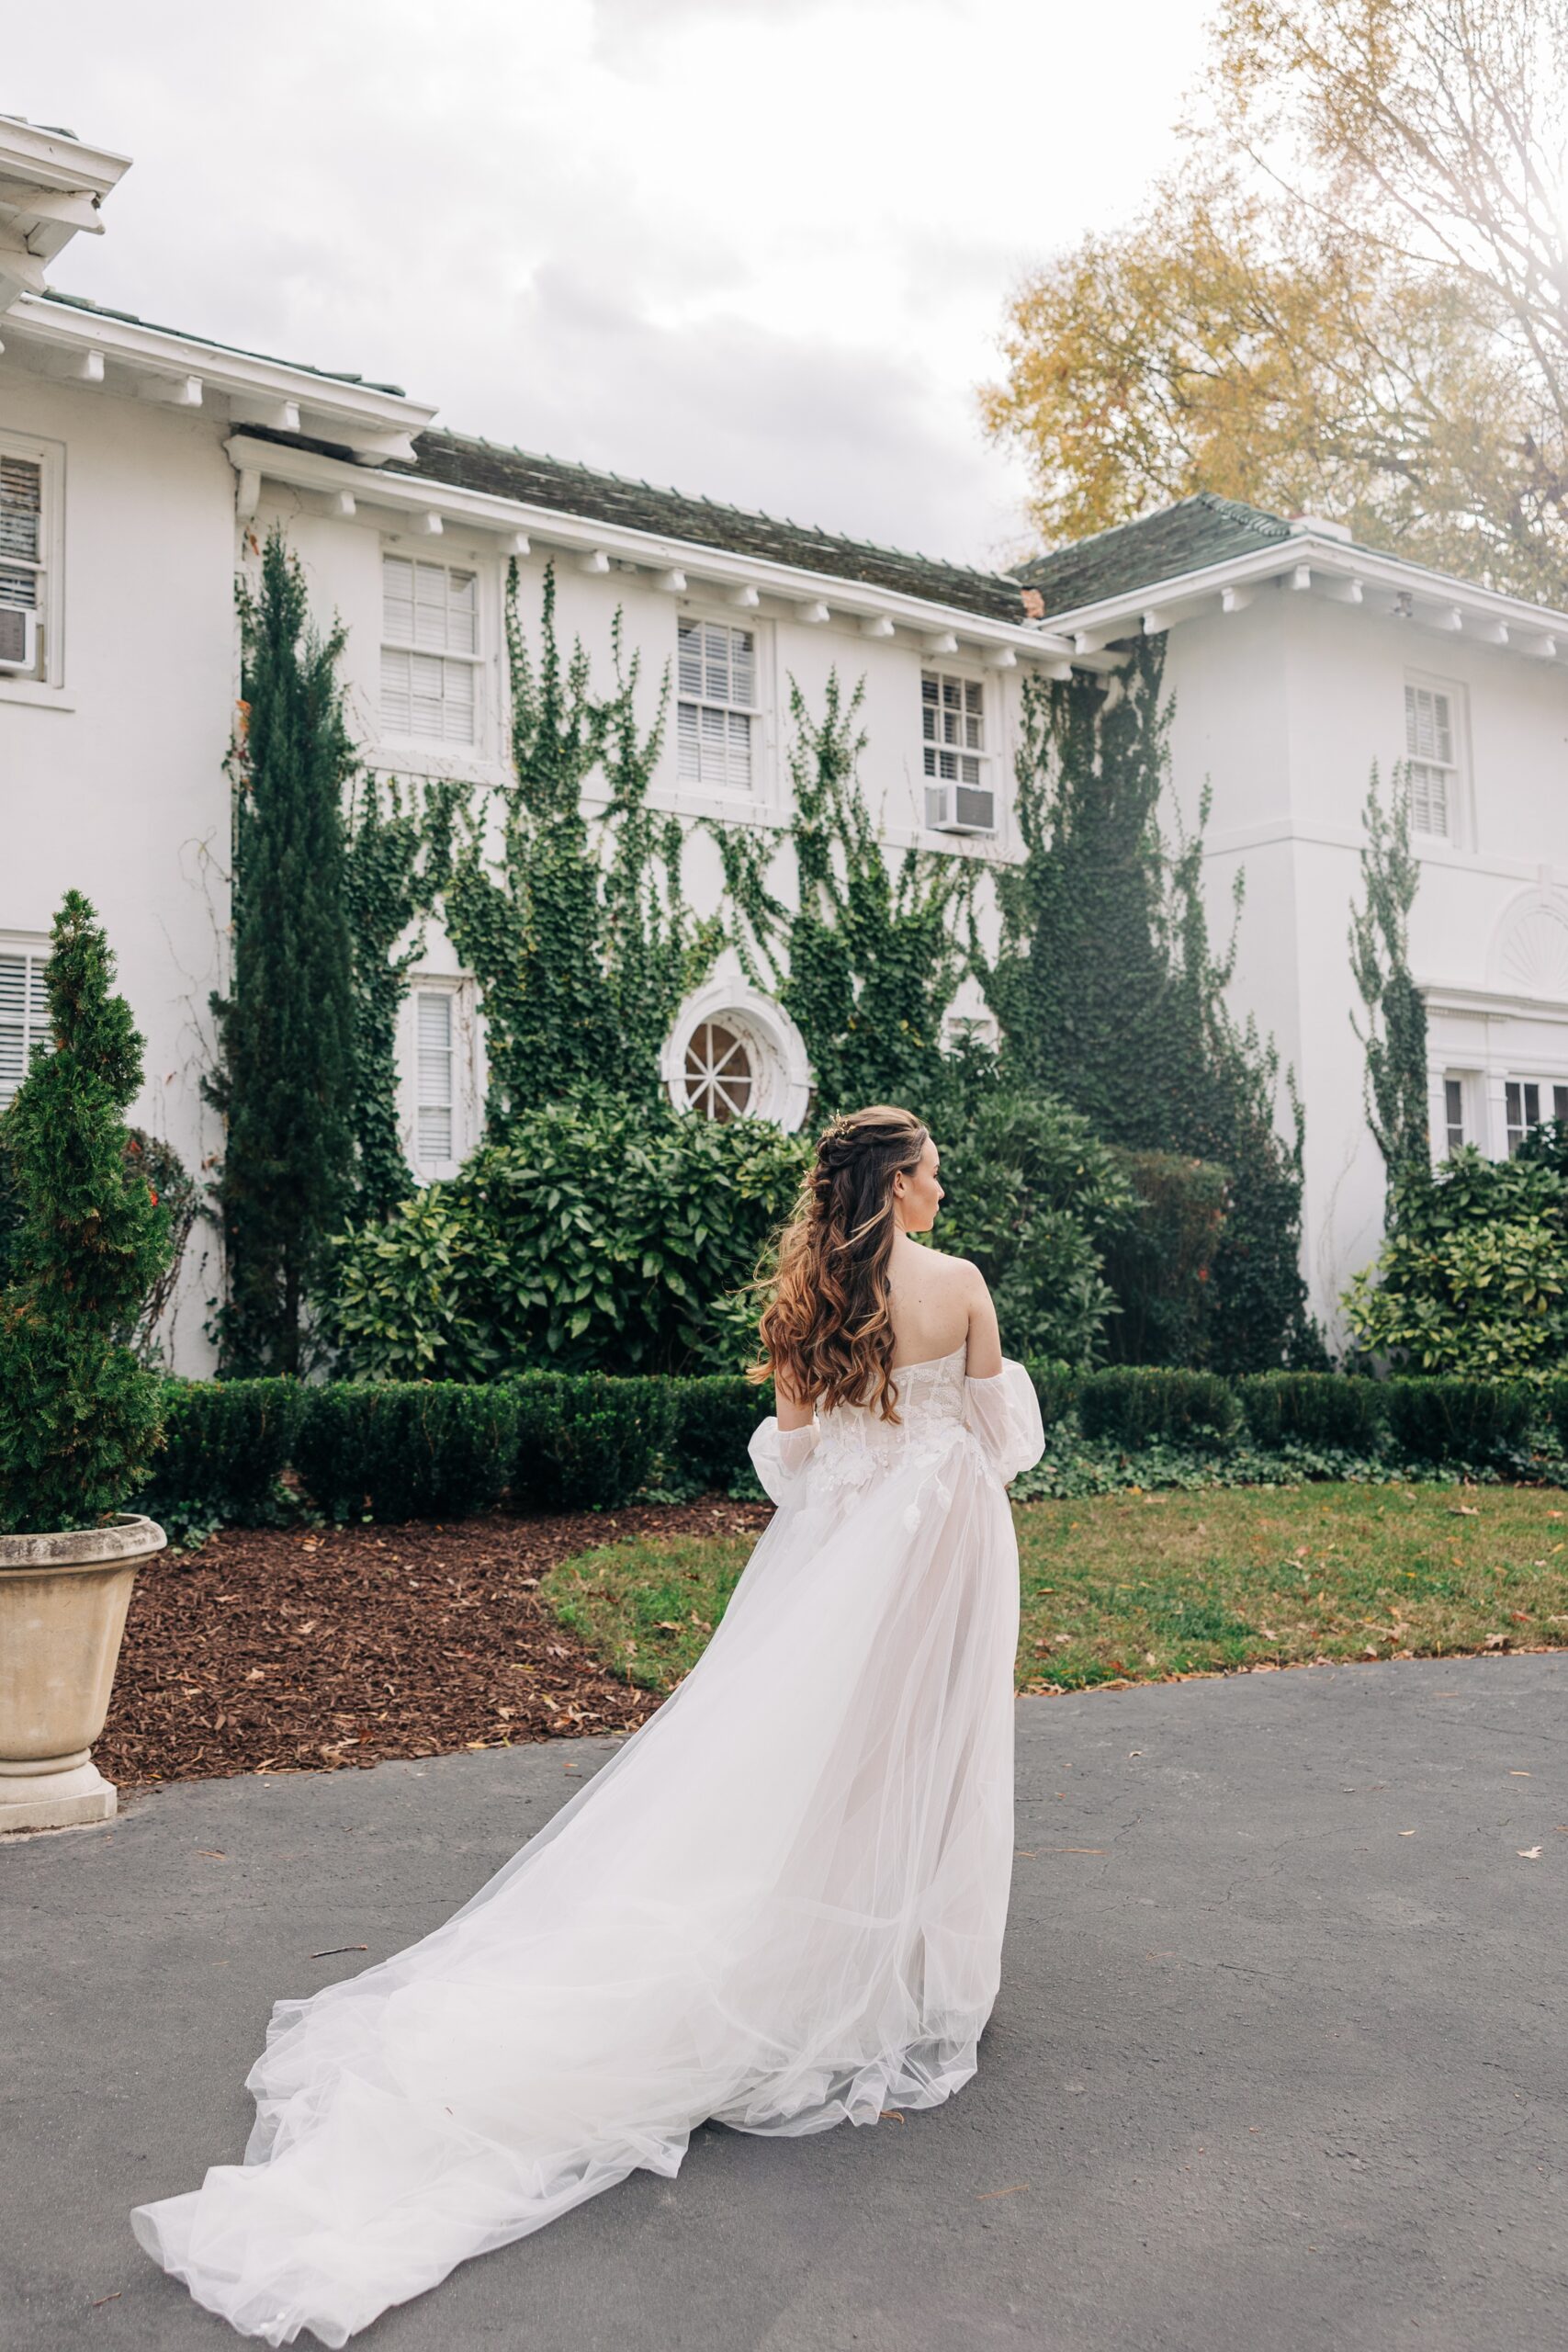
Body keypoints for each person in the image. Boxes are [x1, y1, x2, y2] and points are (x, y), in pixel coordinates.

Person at [131, 1104, 1045, 2346]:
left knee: (818, 1765)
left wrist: (864, 1481)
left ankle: (846, 1957)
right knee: (923, 1753)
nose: (945, 1190)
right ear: (899, 1184)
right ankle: (904, 1972)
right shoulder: (963, 1285)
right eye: (935, 1173)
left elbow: (793, 1450)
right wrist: (923, 1473)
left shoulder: (815, 1298)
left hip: (841, 1559)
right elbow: (1003, 1438)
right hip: (944, 1553)